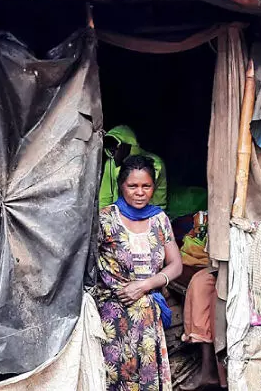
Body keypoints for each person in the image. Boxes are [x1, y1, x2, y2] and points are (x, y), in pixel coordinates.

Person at [94, 155, 183, 391]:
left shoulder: (159, 219)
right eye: (133, 186)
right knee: (114, 377)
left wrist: (145, 285)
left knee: (146, 378)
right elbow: (85, 262)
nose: (140, 192)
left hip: (148, 319)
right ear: (121, 185)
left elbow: (176, 264)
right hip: (112, 316)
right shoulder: (106, 219)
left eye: (146, 186)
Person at [99, 125, 168, 210]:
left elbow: (132, 186)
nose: (114, 150)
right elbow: (105, 196)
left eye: (116, 145)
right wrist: (103, 213)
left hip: (150, 211)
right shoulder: (111, 163)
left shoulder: (154, 163)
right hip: (121, 212)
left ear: (128, 145)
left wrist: (119, 164)